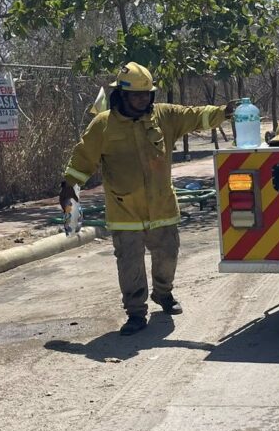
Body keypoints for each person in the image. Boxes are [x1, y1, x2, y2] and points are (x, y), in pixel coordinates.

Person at [60, 62, 235, 335]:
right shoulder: (103, 125)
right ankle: (135, 312)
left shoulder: (163, 116)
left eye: (147, 94)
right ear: (122, 95)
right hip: (124, 211)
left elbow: (196, 116)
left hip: (162, 207)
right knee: (130, 265)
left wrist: (223, 112)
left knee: (167, 257)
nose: (143, 99)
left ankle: (163, 293)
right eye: (137, 95)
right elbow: (83, 159)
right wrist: (69, 187)